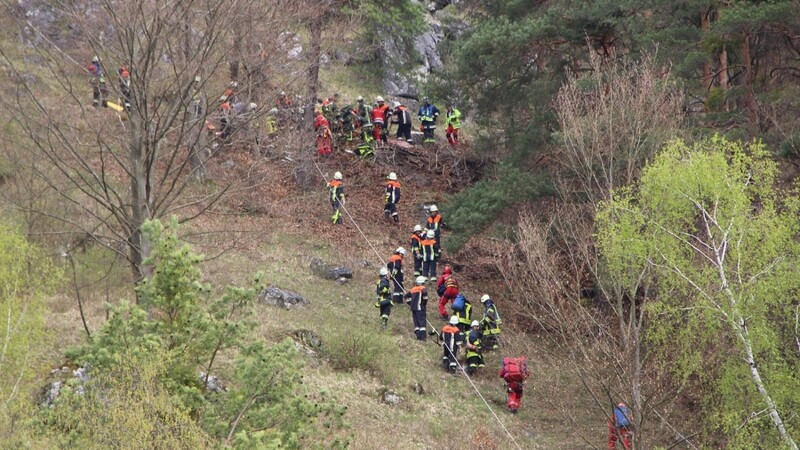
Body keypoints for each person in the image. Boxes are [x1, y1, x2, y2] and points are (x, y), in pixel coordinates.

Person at [405, 275, 429, 341]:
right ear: (422, 282)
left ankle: (418, 335)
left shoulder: (413, 289)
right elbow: (425, 298)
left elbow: (406, 296)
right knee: (422, 323)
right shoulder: (423, 288)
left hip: (413, 308)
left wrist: (410, 303)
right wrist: (424, 304)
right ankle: (423, 337)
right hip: (420, 308)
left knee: (416, 322)